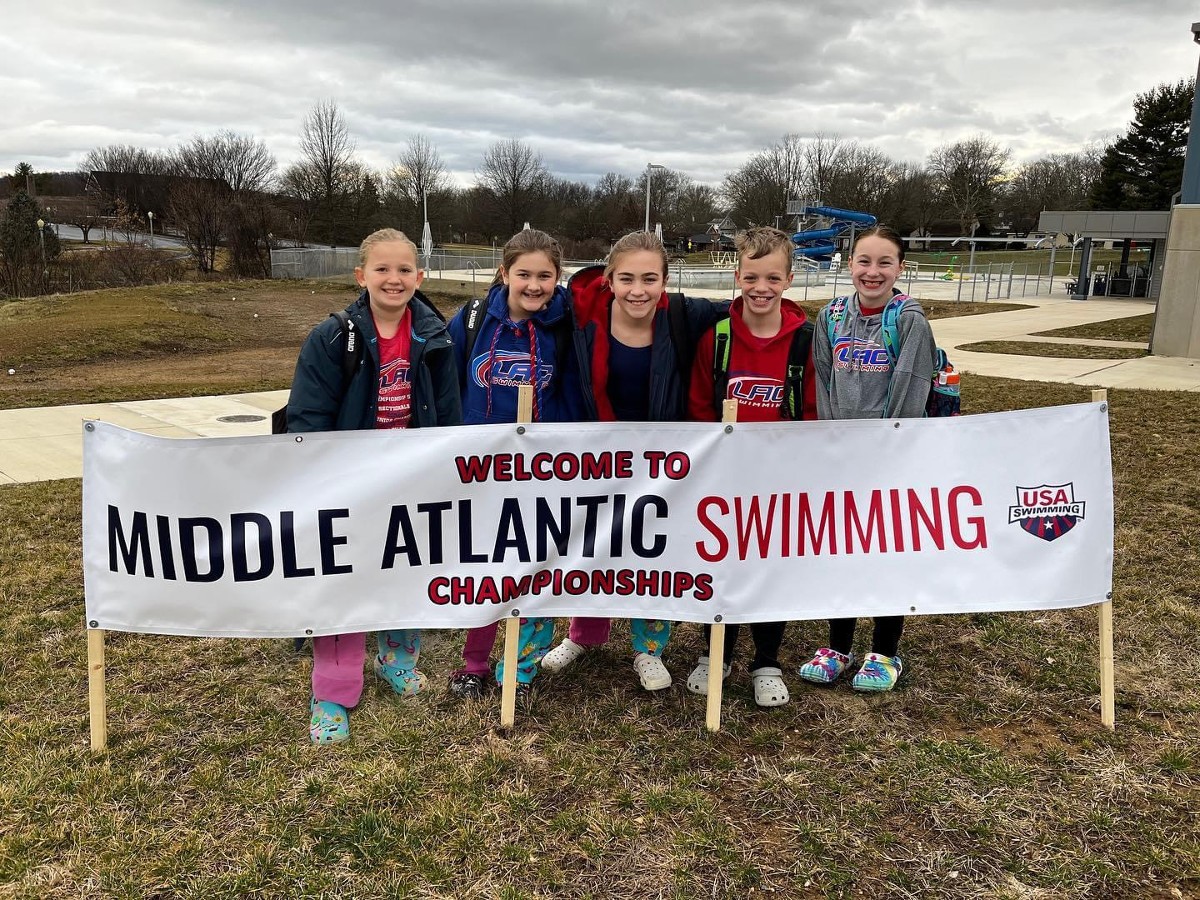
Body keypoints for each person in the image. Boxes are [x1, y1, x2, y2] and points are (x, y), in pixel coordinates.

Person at [287, 228, 461, 744]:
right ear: (361, 276)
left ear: (419, 276)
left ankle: (398, 657)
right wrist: (322, 480)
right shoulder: (332, 336)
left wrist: (446, 469)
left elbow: (448, 415)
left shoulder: (437, 336)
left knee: (407, 574)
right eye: (382, 269)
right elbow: (307, 416)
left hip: (411, 482)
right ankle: (333, 693)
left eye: (404, 269)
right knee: (343, 582)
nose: (394, 278)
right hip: (347, 485)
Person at [538, 231, 728, 691]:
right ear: (608, 279)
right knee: (593, 546)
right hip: (597, 458)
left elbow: (751, 311)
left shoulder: (686, 315)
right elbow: (524, 291)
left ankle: (649, 648)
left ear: (666, 281)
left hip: (663, 464)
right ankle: (584, 633)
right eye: (626, 278)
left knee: (653, 552)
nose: (638, 289)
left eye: (649, 278)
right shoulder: (582, 316)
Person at [446, 229, 583, 701]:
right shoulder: (473, 320)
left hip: (546, 467)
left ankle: (521, 666)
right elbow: (446, 378)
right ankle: (474, 662)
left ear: (557, 277)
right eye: (523, 273)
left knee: (539, 566)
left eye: (545, 275)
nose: (534, 285)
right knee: (486, 566)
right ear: (504, 273)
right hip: (482, 466)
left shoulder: (568, 325)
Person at [685, 226, 818, 708]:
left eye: (773, 278)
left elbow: (811, 413)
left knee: (768, 569)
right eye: (751, 277)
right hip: (723, 476)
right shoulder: (718, 337)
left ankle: (767, 660)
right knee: (718, 562)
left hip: (778, 478)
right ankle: (714, 651)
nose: (761, 288)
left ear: (789, 279)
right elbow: (699, 406)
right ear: (737, 274)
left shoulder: (804, 340)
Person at [799, 225, 935, 693]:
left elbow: (911, 387)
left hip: (890, 456)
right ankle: (838, 645)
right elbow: (823, 379)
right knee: (841, 548)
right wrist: (835, 442)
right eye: (863, 261)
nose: (872, 272)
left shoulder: (909, 320)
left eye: (884, 263)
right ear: (849, 263)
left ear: (900, 268)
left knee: (886, 549)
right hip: (841, 455)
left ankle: (885, 651)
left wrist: (885, 449)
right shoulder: (831, 317)